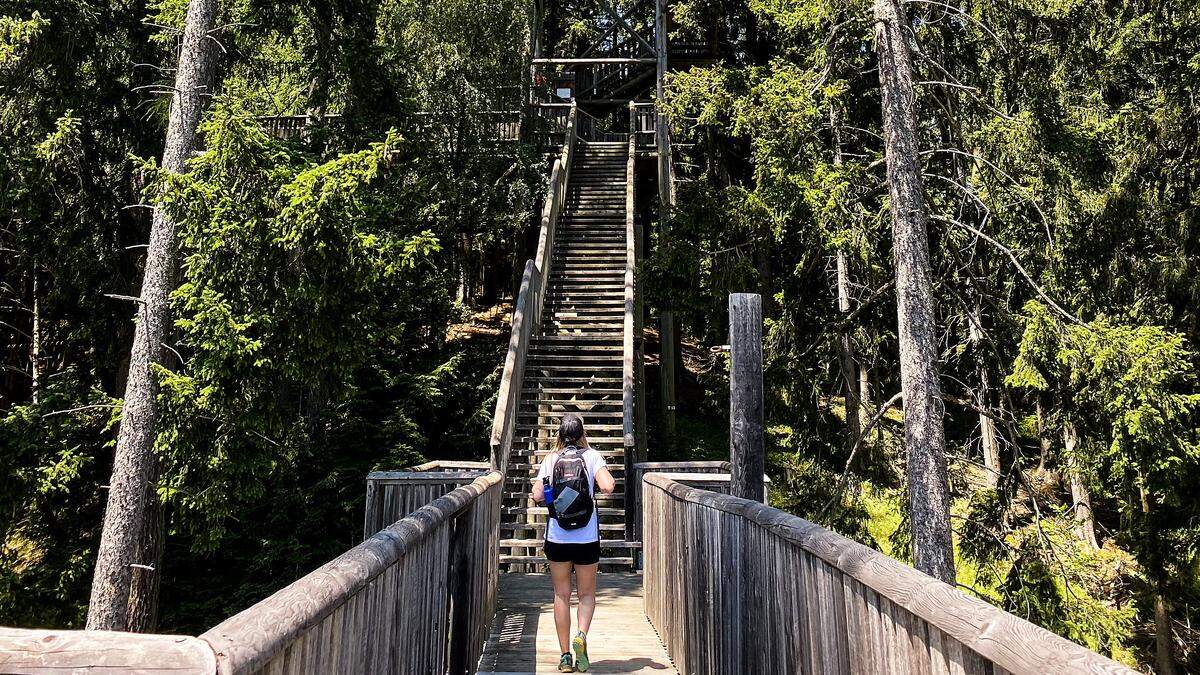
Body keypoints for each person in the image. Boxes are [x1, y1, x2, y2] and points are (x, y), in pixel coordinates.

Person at [533, 413, 616, 673]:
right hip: (586, 537)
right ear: (582, 433)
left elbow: (536, 495)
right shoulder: (590, 457)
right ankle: (581, 635)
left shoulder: (551, 459)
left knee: (561, 594)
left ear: (559, 434)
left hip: (557, 536)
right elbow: (608, 487)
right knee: (587, 594)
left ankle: (565, 656)